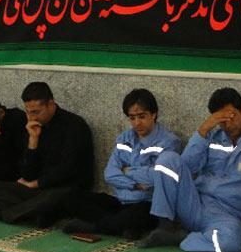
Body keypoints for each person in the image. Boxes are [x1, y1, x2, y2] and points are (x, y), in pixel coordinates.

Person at [140, 87, 241, 252]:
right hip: (194, 204)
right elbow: (186, 166)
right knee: (167, 160)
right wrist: (204, 129)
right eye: (221, 121)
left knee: (232, 244)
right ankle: (165, 227)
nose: (228, 125)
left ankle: (181, 238)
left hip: (228, 216)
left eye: (231, 117)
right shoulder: (212, 137)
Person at [0, 81, 94, 226]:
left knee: (59, 197)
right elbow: (27, 174)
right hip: (38, 190)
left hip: (65, 189)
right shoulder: (33, 127)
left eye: (36, 112)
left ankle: (2, 215)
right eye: (28, 112)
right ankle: (36, 215)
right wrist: (33, 141)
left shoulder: (74, 126)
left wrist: (36, 183)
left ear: (51, 104)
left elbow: (68, 168)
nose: (32, 117)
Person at [62, 88, 181, 239]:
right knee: (71, 198)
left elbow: (156, 177)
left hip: (146, 202)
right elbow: (110, 174)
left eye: (142, 116)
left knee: (138, 215)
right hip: (121, 200)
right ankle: (125, 227)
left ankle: (95, 226)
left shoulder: (169, 141)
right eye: (132, 118)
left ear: (153, 114)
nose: (137, 123)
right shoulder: (125, 138)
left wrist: (126, 171)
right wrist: (134, 184)